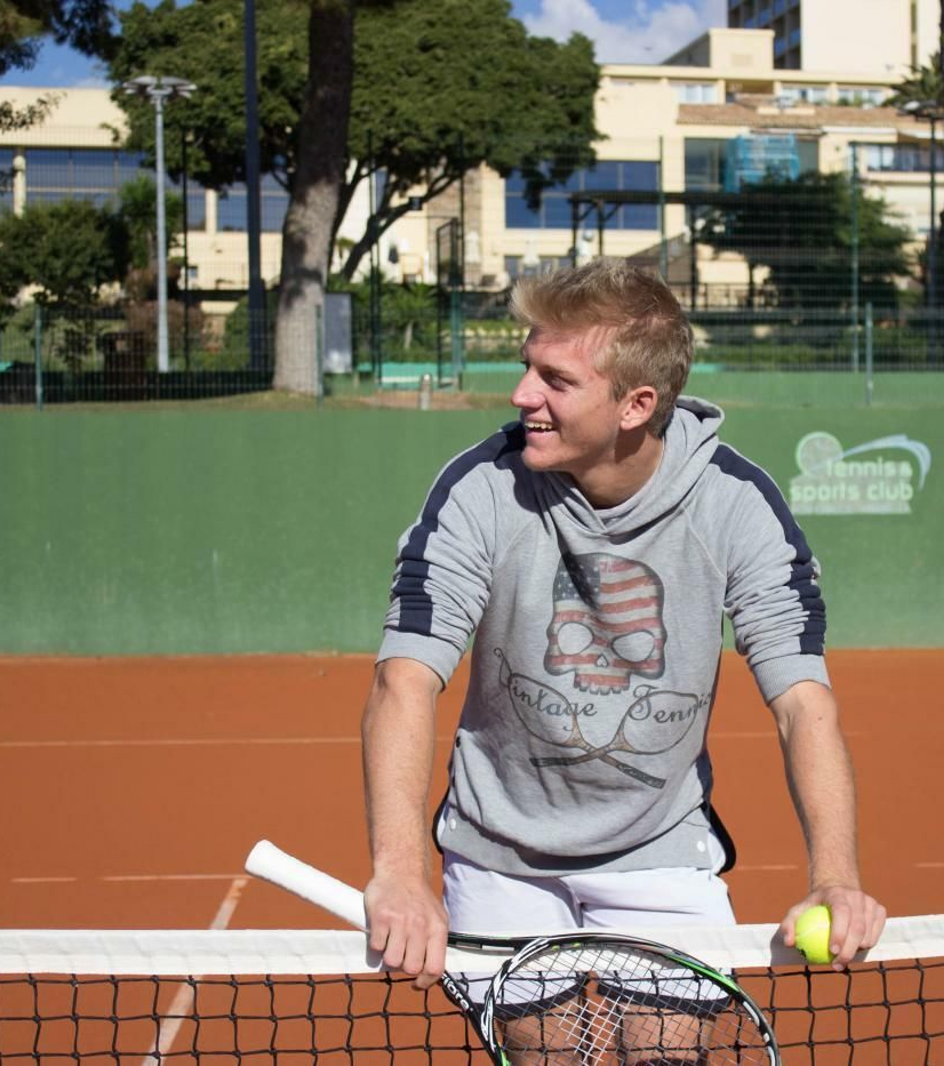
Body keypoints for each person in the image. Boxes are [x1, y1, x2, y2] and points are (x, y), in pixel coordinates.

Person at [361, 258, 884, 989]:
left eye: (556, 380)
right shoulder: (480, 488)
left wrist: (835, 877)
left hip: (662, 848)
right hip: (496, 852)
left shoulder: (737, 506)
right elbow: (404, 680)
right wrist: (401, 873)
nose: (522, 396)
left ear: (636, 405)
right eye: (527, 367)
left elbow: (804, 705)